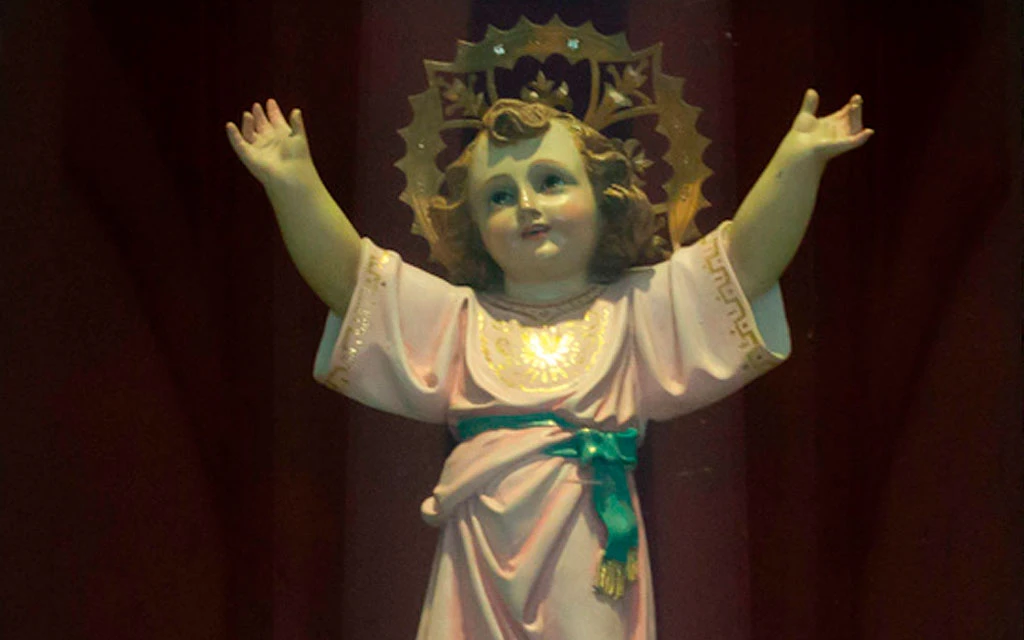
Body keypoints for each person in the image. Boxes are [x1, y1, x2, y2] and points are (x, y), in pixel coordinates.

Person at [226, 90, 871, 639]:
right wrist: (293, 184)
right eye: (499, 196)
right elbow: (354, 283)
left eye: (552, 182)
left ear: (605, 196)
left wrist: (797, 161)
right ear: (473, 225)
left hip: (589, 546)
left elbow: (743, 265)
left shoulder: (637, 309)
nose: (527, 205)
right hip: (478, 554)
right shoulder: (459, 321)